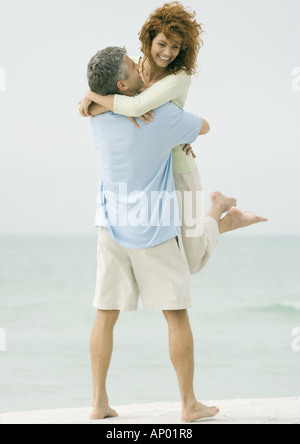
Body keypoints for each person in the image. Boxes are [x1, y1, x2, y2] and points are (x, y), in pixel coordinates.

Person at [86, 46, 267, 422]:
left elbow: (93, 102)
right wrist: (170, 117)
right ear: (123, 84)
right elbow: (203, 127)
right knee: (176, 315)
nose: (141, 66)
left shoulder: (95, 116)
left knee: (105, 315)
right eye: (134, 67)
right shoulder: (163, 116)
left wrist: (96, 99)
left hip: (110, 225)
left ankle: (98, 403)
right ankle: (188, 404)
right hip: (153, 228)